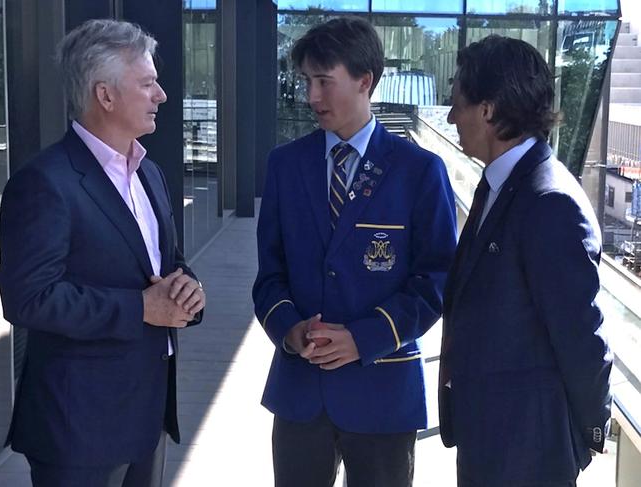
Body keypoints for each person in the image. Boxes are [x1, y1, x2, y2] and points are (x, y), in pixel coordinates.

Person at [0, 19, 205, 487]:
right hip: (78, 431)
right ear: (105, 95)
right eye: (148, 83)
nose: (162, 95)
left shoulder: (149, 172)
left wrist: (188, 289)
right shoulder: (45, 182)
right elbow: (27, 297)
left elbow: (165, 263)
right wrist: (141, 308)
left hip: (148, 418)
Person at [252, 17, 456, 487]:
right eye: (306, 81)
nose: (311, 97)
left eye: (324, 81)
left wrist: (364, 338)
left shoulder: (419, 170)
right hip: (300, 391)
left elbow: (438, 279)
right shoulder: (286, 166)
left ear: (365, 81)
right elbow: (269, 275)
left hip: (382, 389)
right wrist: (290, 330)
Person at [439, 35, 612, 487]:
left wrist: (587, 434)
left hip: (529, 453)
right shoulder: (499, 184)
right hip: (493, 440)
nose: (452, 116)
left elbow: (581, 336)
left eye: (457, 102)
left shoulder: (548, 200)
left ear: (489, 110)